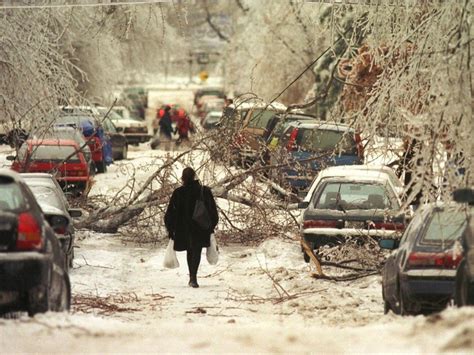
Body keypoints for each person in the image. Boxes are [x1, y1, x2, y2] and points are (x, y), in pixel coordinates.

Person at [164, 167, 219, 288]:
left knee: (190, 250)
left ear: (183, 178)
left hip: (184, 228)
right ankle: (193, 277)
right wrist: (211, 227)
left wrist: (171, 228)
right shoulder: (204, 191)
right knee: (197, 250)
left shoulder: (178, 193)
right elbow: (213, 211)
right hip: (200, 227)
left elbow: (170, 213)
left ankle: (192, 277)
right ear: (194, 176)